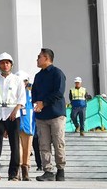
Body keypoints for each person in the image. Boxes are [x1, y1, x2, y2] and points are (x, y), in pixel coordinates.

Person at [0, 52, 25, 181]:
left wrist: (16, 110)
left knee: (15, 144)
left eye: (7, 62)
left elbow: (21, 98)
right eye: (2, 63)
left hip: (13, 115)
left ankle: (13, 173)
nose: (5, 65)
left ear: (11, 65)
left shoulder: (17, 80)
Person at [32, 48, 67, 182]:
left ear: (46, 58)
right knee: (44, 145)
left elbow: (59, 92)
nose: (37, 59)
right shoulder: (38, 76)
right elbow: (34, 92)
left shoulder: (57, 73)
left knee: (58, 143)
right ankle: (47, 171)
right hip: (41, 116)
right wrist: (36, 103)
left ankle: (60, 170)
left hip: (56, 114)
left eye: (39, 57)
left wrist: (44, 103)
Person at [17, 70, 35, 181]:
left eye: (24, 81)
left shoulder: (32, 91)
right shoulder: (14, 92)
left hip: (28, 123)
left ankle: (25, 170)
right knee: (17, 148)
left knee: (27, 148)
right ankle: (17, 170)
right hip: (16, 122)